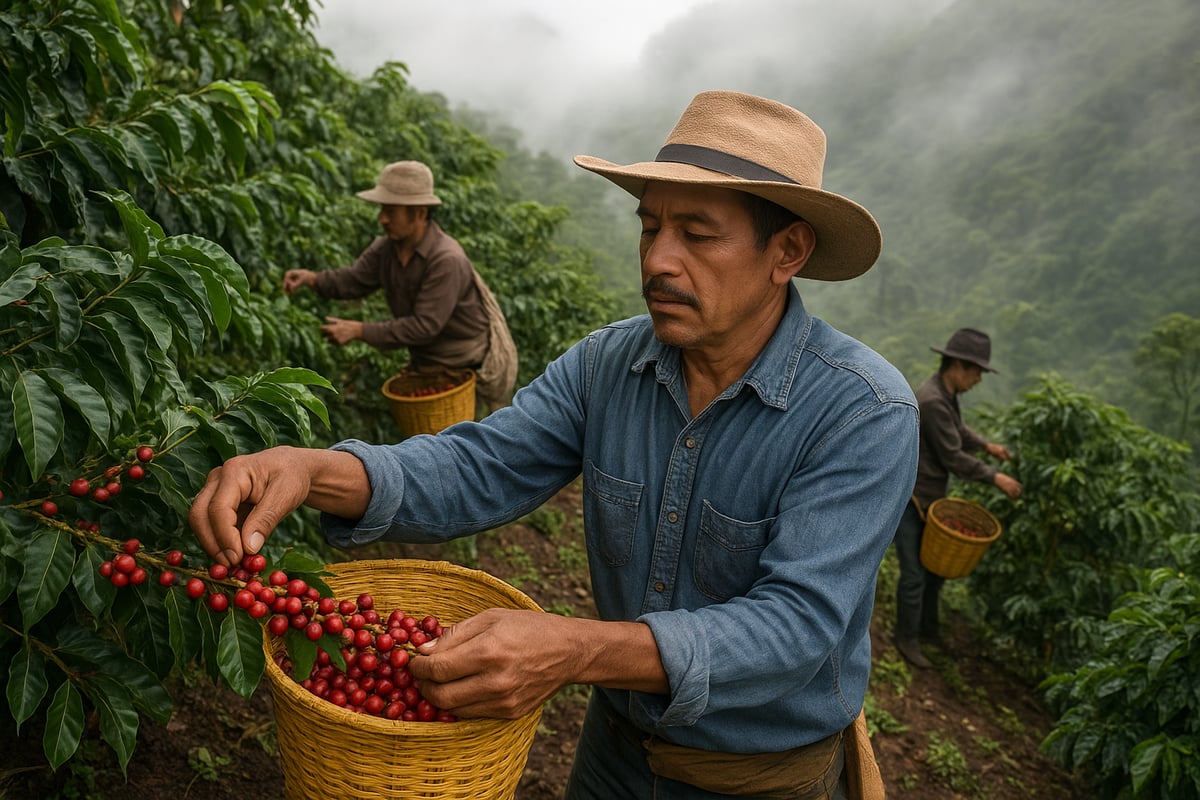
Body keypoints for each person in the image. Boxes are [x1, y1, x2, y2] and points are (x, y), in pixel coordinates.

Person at [191, 91, 918, 800]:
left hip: (762, 778)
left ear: (786, 250)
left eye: (698, 234)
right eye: (649, 227)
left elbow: (795, 627)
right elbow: (479, 465)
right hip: (615, 750)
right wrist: (312, 469)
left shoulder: (862, 412)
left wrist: (575, 648)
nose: (659, 260)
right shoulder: (609, 365)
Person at [282, 160, 517, 411]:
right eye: (382, 209)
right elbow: (352, 280)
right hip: (426, 365)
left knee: (459, 444)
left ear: (419, 213)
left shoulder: (446, 260)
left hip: (463, 370)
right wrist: (312, 279)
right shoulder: (386, 249)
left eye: (391, 211)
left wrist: (359, 330)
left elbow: (424, 327)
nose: (382, 219)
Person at [892, 328, 1022, 669]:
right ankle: (905, 638)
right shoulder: (933, 400)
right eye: (977, 372)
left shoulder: (945, 395)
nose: (978, 379)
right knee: (914, 575)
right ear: (959, 365)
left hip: (930, 496)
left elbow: (958, 432)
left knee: (932, 572)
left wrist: (986, 445)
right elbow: (952, 456)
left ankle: (928, 630)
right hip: (913, 496)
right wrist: (995, 476)